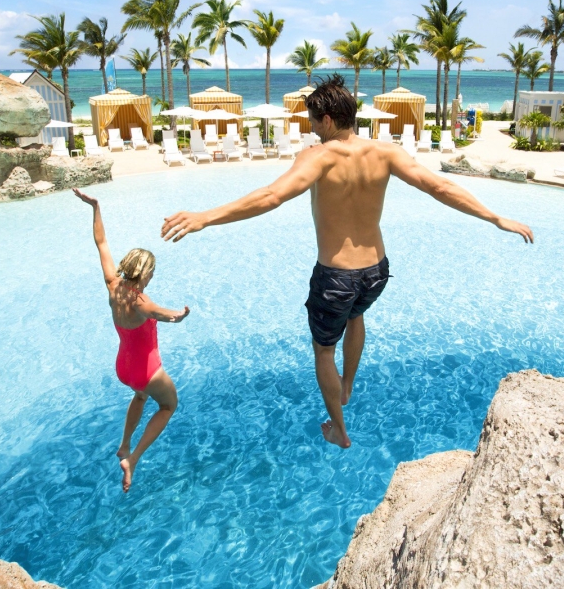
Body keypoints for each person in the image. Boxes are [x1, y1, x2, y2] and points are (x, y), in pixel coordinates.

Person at [160, 74, 533, 449]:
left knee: (324, 350)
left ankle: (339, 429)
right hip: (376, 272)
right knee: (356, 316)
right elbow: (438, 186)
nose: (310, 127)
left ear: (326, 120)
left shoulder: (318, 156)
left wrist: (205, 217)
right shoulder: (386, 152)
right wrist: (494, 217)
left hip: (336, 276)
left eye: (311, 120)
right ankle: (348, 384)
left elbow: (272, 195)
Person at [74, 188, 189, 491]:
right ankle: (133, 458)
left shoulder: (113, 284)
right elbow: (169, 316)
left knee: (140, 396)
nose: (152, 277)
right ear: (145, 273)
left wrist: (96, 207)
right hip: (147, 370)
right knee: (168, 406)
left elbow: (101, 242)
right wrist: (182, 314)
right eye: (151, 273)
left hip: (123, 367)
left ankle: (124, 444)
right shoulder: (142, 304)